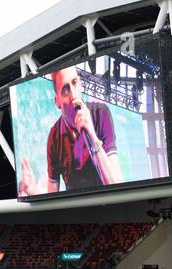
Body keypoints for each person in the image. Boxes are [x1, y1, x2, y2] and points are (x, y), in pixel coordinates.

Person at [18, 67, 124, 196]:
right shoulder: (54, 136)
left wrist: (91, 135)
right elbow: (52, 197)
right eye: (65, 89)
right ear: (57, 101)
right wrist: (33, 191)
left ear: (80, 84)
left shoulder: (100, 113)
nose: (73, 95)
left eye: (74, 83)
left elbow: (117, 185)